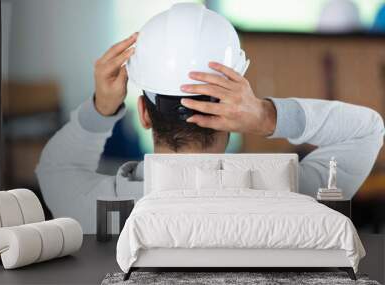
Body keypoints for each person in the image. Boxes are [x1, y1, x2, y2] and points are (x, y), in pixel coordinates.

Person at [36, 4, 384, 233]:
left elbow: (54, 168)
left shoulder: (99, 209)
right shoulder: (294, 196)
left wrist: (101, 109)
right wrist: (266, 116)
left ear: (144, 113)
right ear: (232, 118)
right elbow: (368, 129)